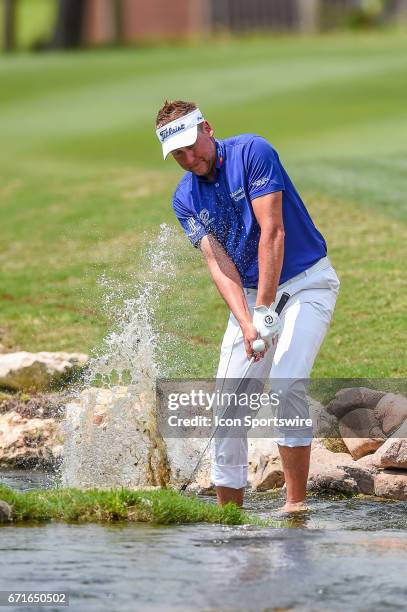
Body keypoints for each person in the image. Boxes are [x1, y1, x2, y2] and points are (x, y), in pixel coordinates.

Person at [155, 100, 340, 513]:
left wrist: (263, 310)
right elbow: (218, 264)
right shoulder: (184, 197)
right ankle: (230, 522)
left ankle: (296, 509)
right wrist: (247, 322)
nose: (189, 159)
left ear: (207, 128)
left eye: (191, 146)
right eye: (178, 155)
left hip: (307, 283)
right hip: (255, 297)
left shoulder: (252, 151)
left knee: (289, 382)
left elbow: (272, 233)